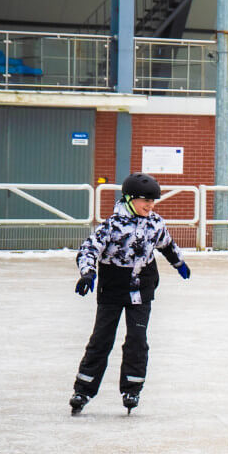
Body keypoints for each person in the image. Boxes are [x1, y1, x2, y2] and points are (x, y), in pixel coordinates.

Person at [68, 172, 190, 415]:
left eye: (153, 201)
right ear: (129, 199)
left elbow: (167, 245)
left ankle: (132, 388)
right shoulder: (112, 226)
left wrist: (179, 264)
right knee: (101, 339)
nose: (150, 205)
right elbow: (88, 250)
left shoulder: (155, 223)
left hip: (142, 289)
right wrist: (87, 274)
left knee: (137, 340)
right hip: (112, 288)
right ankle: (83, 389)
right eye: (145, 200)